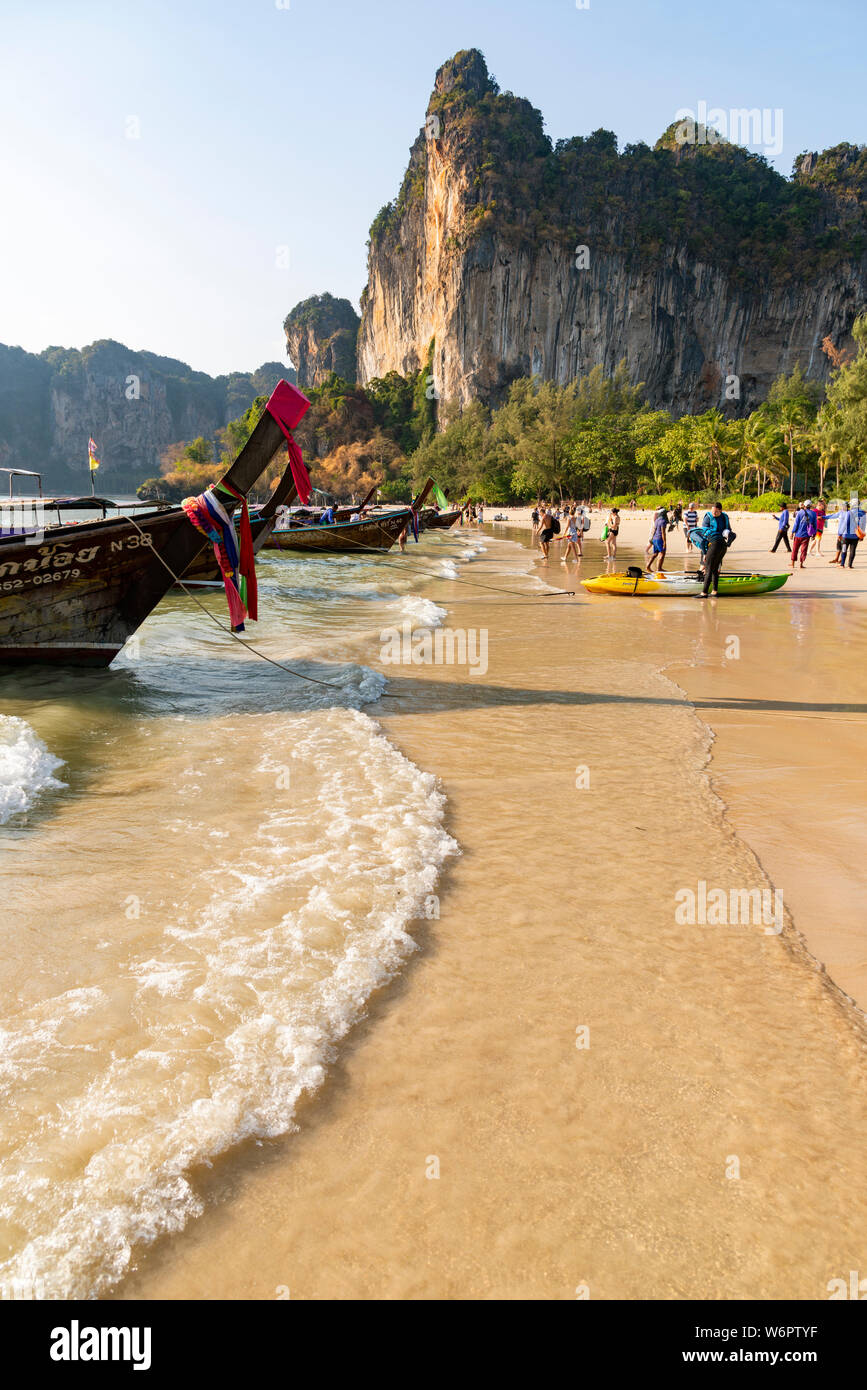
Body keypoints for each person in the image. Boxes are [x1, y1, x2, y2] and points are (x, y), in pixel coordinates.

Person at [700, 502, 732, 596]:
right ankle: (713, 590)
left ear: (720, 510)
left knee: (713, 568)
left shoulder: (724, 517)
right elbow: (704, 533)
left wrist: (728, 536)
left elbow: (729, 530)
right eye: (713, 511)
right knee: (709, 567)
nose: (714, 513)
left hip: (719, 545)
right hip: (711, 544)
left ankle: (704, 593)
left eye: (716, 512)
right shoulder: (708, 517)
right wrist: (704, 552)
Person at [838, 499, 866, 569]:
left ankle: (842, 564)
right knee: (853, 550)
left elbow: (845, 524)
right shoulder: (863, 514)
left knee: (844, 549)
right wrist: (862, 536)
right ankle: (849, 565)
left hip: (846, 536)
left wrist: (840, 534)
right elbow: (863, 525)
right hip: (856, 536)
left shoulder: (848, 513)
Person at [790, 503, 811, 569]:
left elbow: (796, 524)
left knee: (795, 549)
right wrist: (814, 534)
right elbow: (814, 525)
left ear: (804, 505)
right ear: (810, 506)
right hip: (806, 535)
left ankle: (792, 564)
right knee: (803, 551)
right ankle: (801, 565)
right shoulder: (813, 514)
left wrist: (792, 532)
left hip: (798, 535)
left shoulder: (799, 513)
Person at [647, 507, 668, 572]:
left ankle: (648, 566)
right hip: (659, 539)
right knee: (662, 553)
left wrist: (652, 538)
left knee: (655, 554)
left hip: (655, 538)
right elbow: (663, 532)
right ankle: (659, 568)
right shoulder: (663, 521)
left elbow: (654, 530)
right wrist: (664, 542)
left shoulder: (657, 520)